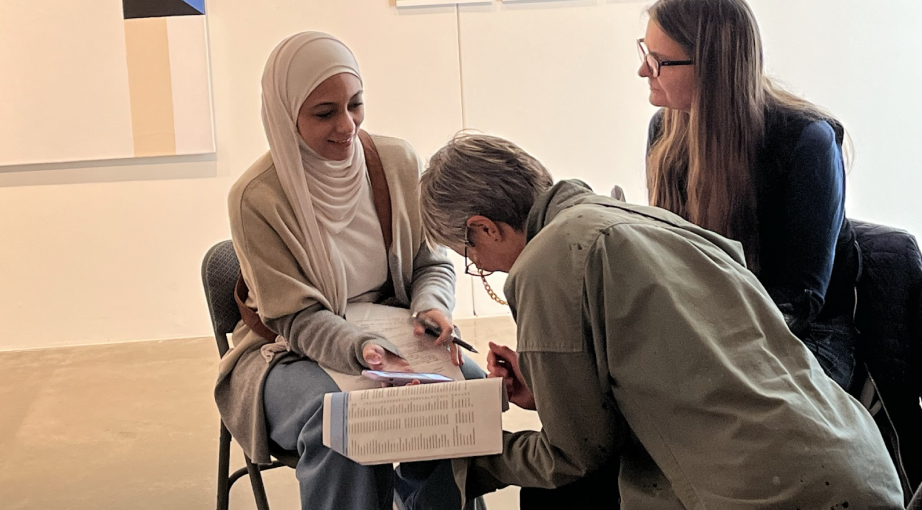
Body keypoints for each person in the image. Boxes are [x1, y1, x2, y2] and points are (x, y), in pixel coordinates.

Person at [418, 132, 903, 510]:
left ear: (482, 227)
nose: (483, 268)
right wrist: (545, 390)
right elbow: (686, 376)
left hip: (767, 490)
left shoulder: (544, 263)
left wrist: (468, 449)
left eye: (471, 256)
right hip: (856, 459)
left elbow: (575, 456)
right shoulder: (638, 218)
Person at [214, 32, 484, 510]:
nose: (347, 126)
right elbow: (293, 320)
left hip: (393, 331)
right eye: (324, 113)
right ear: (285, 113)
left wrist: (430, 306)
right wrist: (362, 349)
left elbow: (431, 262)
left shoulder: (398, 162)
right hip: (290, 350)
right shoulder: (256, 197)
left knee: (466, 398)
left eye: (355, 105)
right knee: (341, 426)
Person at [639, 0, 860, 392]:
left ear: (711, 66)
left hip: (803, 335)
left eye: (657, 61)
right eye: (644, 53)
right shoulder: (665, 132)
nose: (642, 71)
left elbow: (801, 298)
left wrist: (708, 343)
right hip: (714, 322)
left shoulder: (806, 140)